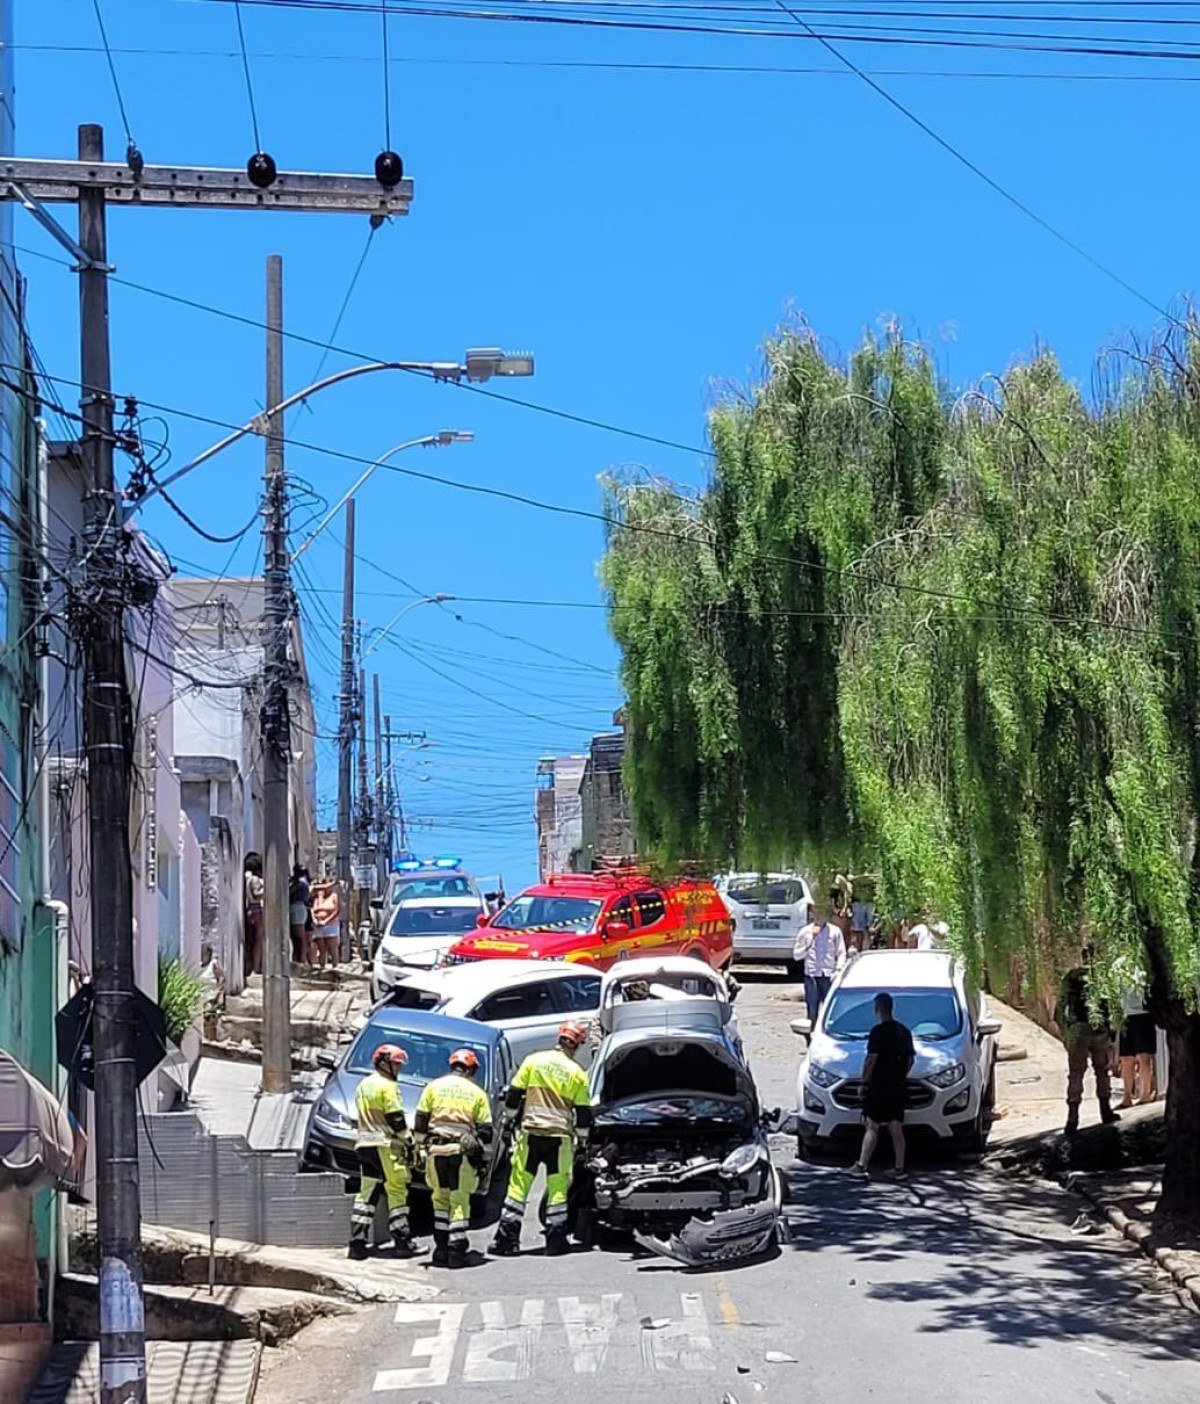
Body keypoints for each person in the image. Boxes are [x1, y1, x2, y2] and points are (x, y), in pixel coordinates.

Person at [490, 1020, 592, 1258]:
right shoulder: (577, 1073)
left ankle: (507, 1242)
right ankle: (556, 1243)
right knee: (557, 1190)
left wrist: (509, 1122)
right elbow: (584, 1114)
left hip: (531, 1135)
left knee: (518, 1188)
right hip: (559, 1138)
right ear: (577, 1045)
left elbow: (514, 1095)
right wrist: (583, 1142)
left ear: (560, 1038)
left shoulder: (533, 1061)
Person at [414, 1047, 494, 1268]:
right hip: (461, 1154)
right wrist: (485, 1161)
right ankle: (456, 1252)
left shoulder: (433, 1087)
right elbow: (486, 1131)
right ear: (470, 1069)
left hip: (435, 1151)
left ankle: (440, 1251)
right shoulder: (476, 1093)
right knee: (459, 1201)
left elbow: (420, 1121)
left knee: (440, 1199)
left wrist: (419, 1149)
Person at [348, 1042, 418, 1260]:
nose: (398, 1069)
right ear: (383, 1063)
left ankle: (357, 1244)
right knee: (397, 1190)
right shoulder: (387, 1087)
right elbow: (395, 1118)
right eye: (395, 1065)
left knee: (366, 1193)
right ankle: (403, 1242)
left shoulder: (363, 1085)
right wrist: (409, 1141)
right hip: (385, 1146)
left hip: (364, 1145)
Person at [1054, 948, 1119, 1136]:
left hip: (1078, 1029)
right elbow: (1113, 1008)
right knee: (1102, 1070)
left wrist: (1066, 1032)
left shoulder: (1072, 977)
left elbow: (1059, 1009)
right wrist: (1112, 1035)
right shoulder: (1104, 978)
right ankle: (1105, 1111)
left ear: (1082, 958)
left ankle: (1072, 1119)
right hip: (1099, 1029)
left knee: (1075, 1074)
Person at [850, 991, 915, 1181]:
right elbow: (910, 1059)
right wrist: (901, 1074)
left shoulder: (877, 1033)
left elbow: (871, 1059)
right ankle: (899, 1167)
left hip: (879, 1085)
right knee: (896, 1125)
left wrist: (864, 1082)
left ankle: (862, 1164)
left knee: (872, 1125)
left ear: (877, 1009)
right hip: (898, 1085)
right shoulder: (904, 1031)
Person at [793, 906, 847, 1020]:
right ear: (812, 915)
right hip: (811, 975)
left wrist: (838, 970)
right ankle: (811, 1032)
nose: (820, 918)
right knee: (812, 1010)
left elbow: (841, 952)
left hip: (828, 975)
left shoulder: (835, 931)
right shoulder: (805, 932)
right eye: (817, 914)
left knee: (831, 1009)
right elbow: (796, 955)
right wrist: (807, 946)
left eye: (822, 915)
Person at [1117, 985, 1157, 1110]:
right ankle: (1127, 1097)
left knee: (1143, 1056)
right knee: (1126, 1059)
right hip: (1125, 1015)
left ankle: (1146, 1095)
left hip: (1143, 1014)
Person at [310, 877, 342, 970]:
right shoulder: (318, 897)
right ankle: (322, 967)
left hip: (331, 924)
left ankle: (335, 967)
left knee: (332, 948)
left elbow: (336, 910)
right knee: (321, 949)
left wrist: (326, 921)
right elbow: (313, 909)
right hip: (318, 925)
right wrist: (315, 920)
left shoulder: (334, 896)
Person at [243, 853, 264, 977]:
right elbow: (256, 894)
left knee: (253, 940)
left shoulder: (248, 878)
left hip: (251, 909)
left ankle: (253, 966)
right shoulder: (255, 879)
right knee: (258, 940)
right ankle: (256, 967)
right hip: (256, 909)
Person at [289, 864, 313, 967]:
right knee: (295, 937)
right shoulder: (295, 882)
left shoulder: (300, 883)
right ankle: (297, 958)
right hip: (296, 908)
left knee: (300, 937)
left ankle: (301, 959)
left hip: (298, 907)